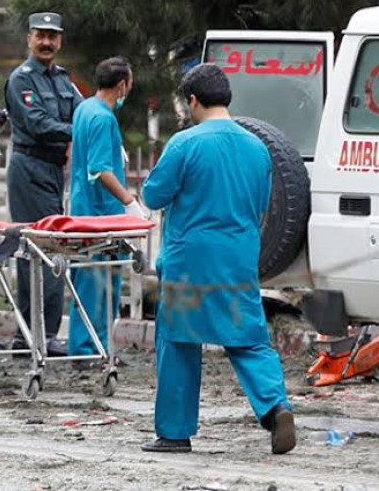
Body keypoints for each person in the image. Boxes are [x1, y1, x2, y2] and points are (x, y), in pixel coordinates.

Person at [140, 64, 295, 455]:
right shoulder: (258, 148)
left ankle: (174, 434)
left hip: (189, 263)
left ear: (192, 100)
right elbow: (261, 208)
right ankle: (276, 407)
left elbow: (153, 196)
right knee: (249, 340)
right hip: (238, 260)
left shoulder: (184, 143)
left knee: (177, 342)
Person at [6, 12, 83, 356]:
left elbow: (84, 112)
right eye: (41, 35)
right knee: (44, 250)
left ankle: (30, 336)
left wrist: (93, 123)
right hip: (30, 167)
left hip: (52, 170)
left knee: (43, 250)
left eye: (53, 36)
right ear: (29, 39)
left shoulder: (64, 81)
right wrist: (80, 131)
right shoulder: (21, 80)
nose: (47, 42)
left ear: (60, 40)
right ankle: (41, 335)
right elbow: (37, 124)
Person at [67, 56, 145, 359]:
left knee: (95, 282)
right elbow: (100, 169)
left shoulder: (85, 108)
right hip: (100, 215)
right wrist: (129, 201)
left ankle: (94, 347)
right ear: (123, 84)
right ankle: (90, 350)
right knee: (98, 284)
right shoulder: (102, 118)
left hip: (87, 209)